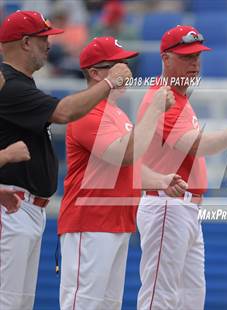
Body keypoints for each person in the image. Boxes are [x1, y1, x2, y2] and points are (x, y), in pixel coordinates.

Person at [0, 11, 131, 309]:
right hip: (13, 208)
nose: (49, 44)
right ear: (24, 42)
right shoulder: (9, 84)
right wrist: (109, 84)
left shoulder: (21, 84)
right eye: (43, 38)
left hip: (26, 208)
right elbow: (64, 112)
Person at [136, 25, 227, 310]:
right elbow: (196, 145)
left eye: (197, 56)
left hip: (184, 208)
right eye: (186, 56)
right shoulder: (164, 96)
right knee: (160, 298)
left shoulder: (179, 97)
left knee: (190, 300)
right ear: (166, 59)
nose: (194, 63)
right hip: (167, 206)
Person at [57, 36, 186, 310]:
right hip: (90, 222)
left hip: (115, 222)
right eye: (117, 65)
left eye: (125, 63)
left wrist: (160, 180)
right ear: (95, 73)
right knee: (84, 305)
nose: (126, 70)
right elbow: (125, 154)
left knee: (107, 305)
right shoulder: (87, 112)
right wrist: (154, 110)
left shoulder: (115, 113)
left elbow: (128, 168)